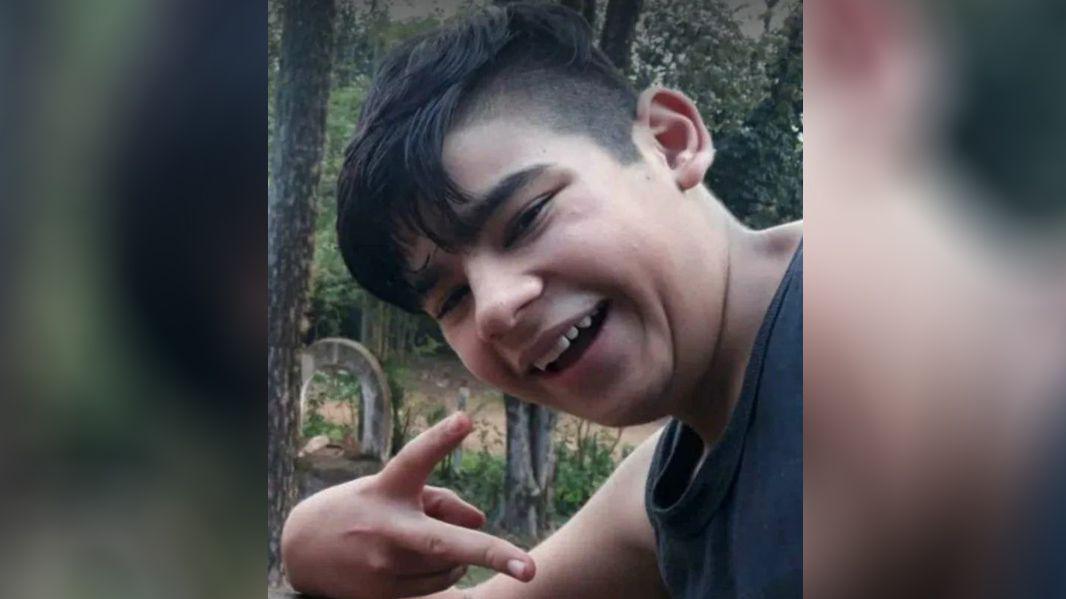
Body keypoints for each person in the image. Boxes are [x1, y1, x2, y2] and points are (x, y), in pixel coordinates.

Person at [280, 3, 802, 598]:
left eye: (527, 217)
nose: (494, 308)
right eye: (453, 298)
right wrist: (307, 543)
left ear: (670, 144)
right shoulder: (673, 480)